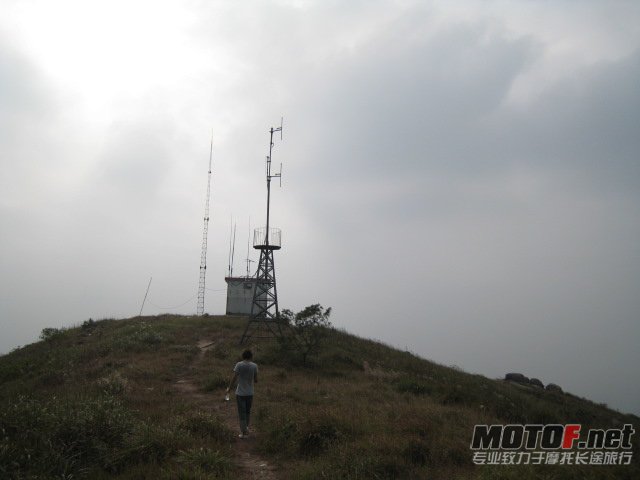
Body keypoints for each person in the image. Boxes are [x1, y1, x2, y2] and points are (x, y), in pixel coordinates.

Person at [226, 349, 258, 438]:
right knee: (247, 412)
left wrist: (229, 389)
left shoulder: (239, 364)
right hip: (250, 393)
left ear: (243, 356)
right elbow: (256, 380)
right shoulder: (254, 366)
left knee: (241, 413)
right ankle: (246, 429)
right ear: (251, 356)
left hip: (240, 393)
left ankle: (243, 433)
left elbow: (234, 378)